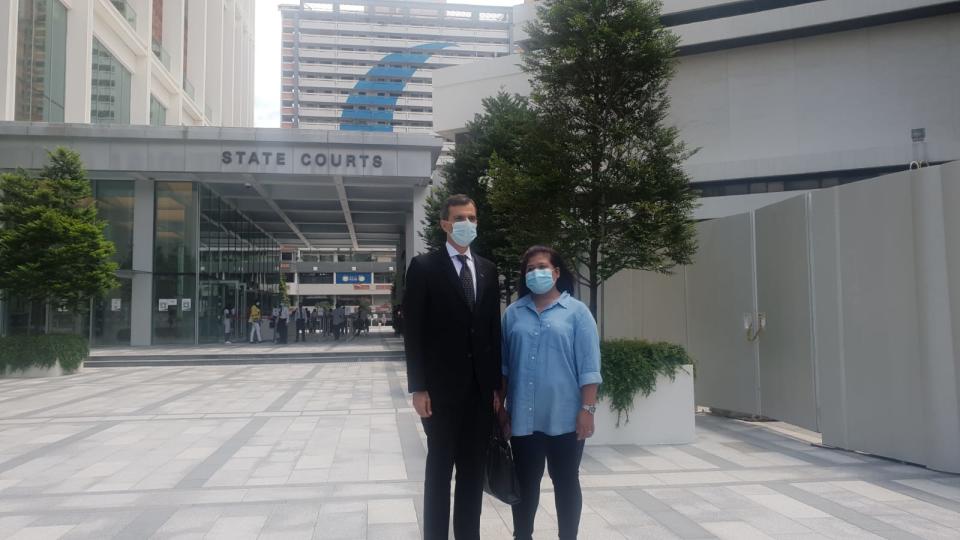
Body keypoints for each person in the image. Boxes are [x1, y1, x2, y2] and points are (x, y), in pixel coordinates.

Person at [404, 194, 502, 540]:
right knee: (439, 471)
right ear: (445, 224)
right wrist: (418, 387)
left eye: (473, 218)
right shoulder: (424, 267)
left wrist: (496, 388)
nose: (467, 224)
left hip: (479, 393)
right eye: (460, 218)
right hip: (440, 394)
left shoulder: (488, 270)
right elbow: (413, 332)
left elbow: (492, 330)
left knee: (473, 474)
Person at [500, 246, 602, 540]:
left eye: (542, 266)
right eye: (530, 269)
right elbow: (504, 368)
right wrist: (501, 410)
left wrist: (588, 410)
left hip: (566, 418)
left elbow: (589, 367)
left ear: (556, 272)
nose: (536, 273)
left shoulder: (577, 313)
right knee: (525, 486)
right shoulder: (513, 314)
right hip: (524, 420)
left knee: (567, 482)